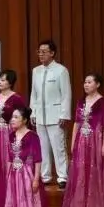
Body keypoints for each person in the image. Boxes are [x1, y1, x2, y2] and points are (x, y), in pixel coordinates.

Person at [0, 107, 65, 207]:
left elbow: (37, 159)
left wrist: (36, 179)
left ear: (24, 120)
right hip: (13, 175)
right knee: (14, 206)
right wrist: (8, 175)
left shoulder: (32, 136)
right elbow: (9, 158)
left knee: (27, 205)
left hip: (26, 175)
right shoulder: (11, 136)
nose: (12, 120)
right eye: (12, 117)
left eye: (16, 117)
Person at [61, 73, 104, 207]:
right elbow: (76, 123)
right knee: (80, 172)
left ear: (97, 85)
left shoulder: (103, 103)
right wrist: (73, 142)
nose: (86, 85)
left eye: (89, 82)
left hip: (95, 140)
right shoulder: (81, 101)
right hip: (81, 140)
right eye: (85, 82)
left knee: (94, 172)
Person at [30, 40, 72, 188]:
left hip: (56, 116)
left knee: (59, 147)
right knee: (42, 147)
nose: (41, 54)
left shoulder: (61, 70)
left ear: (52, 53)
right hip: (40, 115)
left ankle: (62, 177)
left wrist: (64, 114)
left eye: (44, 52)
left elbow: (66, 94)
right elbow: (34, 94)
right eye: (39, 52)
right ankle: (45, 176)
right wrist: (33, 112)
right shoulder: (36, 71)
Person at [0, 70, 27, 207]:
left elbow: (22, 119)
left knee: (9, 166)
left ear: (10, 82)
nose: (0, 82)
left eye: (3, 80)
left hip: (10, 134)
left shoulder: (17, 99)